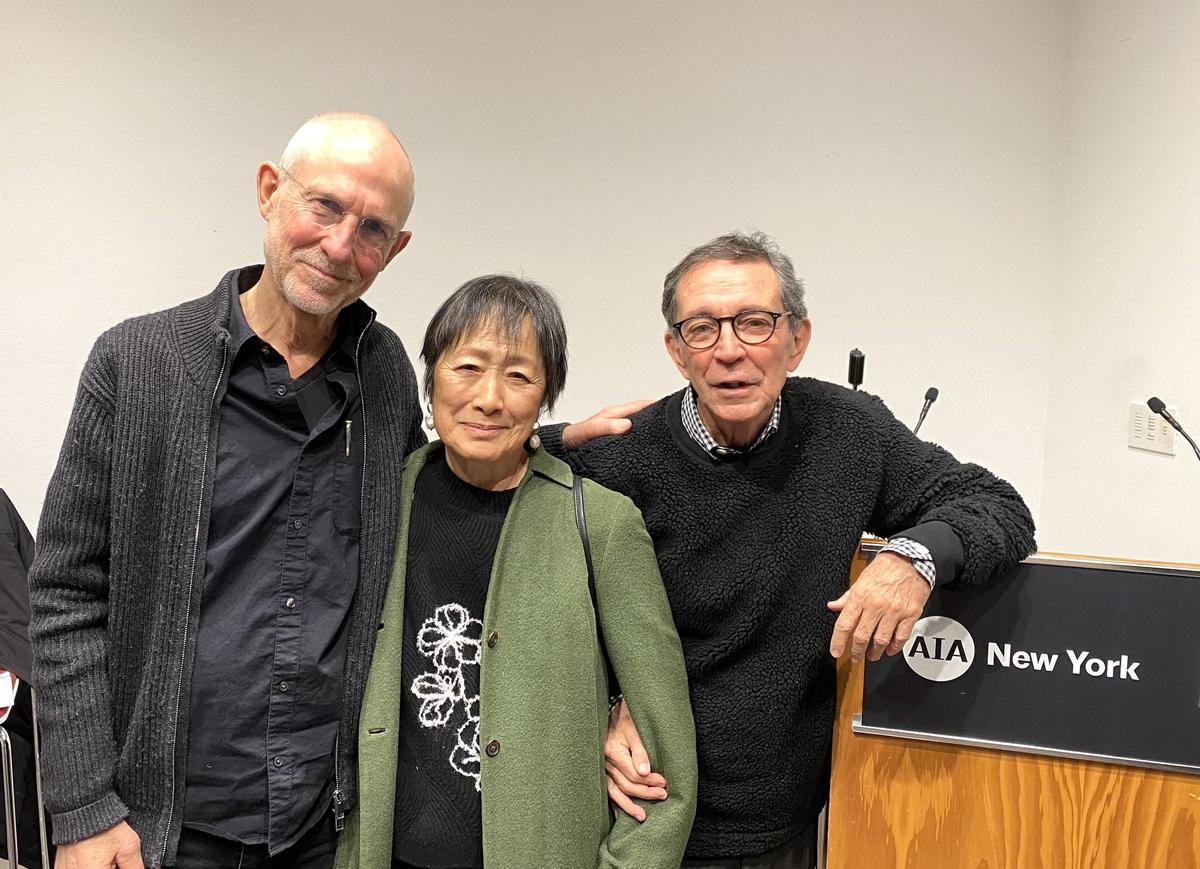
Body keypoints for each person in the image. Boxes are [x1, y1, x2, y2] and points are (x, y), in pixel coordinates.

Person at [541, 231, 1037, 868]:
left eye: (755, 323)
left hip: (786, 819)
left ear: (797, 340)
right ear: (676, 352)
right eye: (702, 329)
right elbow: (488, 502)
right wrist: (556, 439)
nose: (729, 351)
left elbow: (998, 504)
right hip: (640, 812)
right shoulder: (622, 456)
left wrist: (911, 560)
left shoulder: (849, 430)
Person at [28, 112, 423, 868]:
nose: (341, 246)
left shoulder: (384, 373)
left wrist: (551, 443)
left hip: (323, 828)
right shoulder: (136, 362)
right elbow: (65, 593)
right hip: (159, 833)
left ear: (395, 249)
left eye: (372, 228)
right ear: (270, 191)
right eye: (325, 206)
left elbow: (433, 490)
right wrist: (83, 810)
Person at [335, 275, 697, 869]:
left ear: (546, 394)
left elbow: (666, 757)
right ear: (430, 378)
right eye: (467, 368)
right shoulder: (379, 502)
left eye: (520, 376)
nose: (489, 398)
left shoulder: (600, 524)